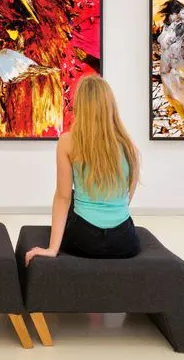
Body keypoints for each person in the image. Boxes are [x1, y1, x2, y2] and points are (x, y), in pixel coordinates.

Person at [25, 76, 140, 266]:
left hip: (85, 241)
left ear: (80, 107)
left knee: (70, 194)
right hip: (124, 242)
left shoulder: (68, 142)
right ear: (110, 107)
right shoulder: (129, 146)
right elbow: (127, 197)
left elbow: (63, 197)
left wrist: (52, 249)